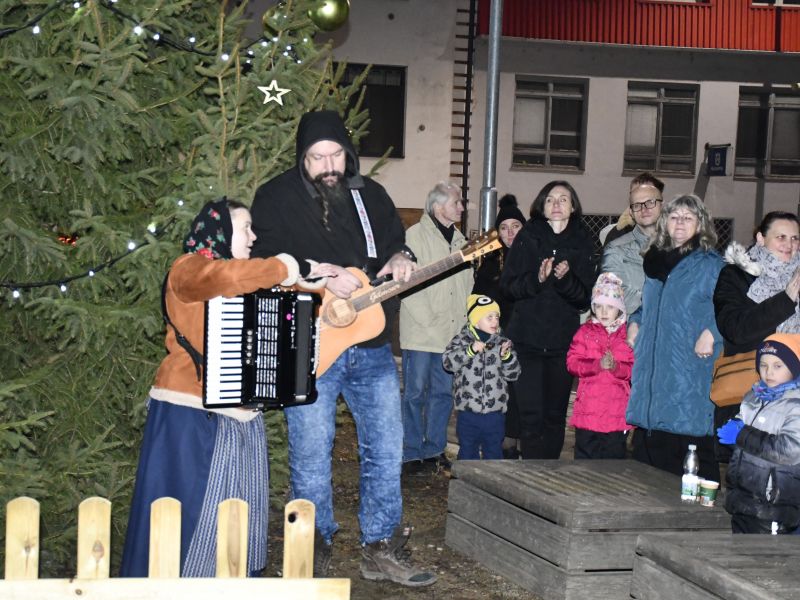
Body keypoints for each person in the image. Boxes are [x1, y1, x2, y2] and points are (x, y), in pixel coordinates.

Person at [249, 110, 436, 587]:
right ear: (302, 158)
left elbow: (394, 243)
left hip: (370, 343)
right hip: (307, 345)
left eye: (336, 155)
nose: (328, 165)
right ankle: (312, 550)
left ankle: (380, 546)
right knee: (311, 455)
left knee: (386, 448)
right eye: (317, 157)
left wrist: (400, 257)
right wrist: (319, 272)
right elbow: (263, 262)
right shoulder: (275, 198)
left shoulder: (369, 194)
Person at [120, 198, 325, 577]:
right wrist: (287, 265)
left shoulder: (247, 276)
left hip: (242, 419)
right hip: (189, 416)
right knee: (186, 519)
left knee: (237, 517)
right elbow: (224, 278)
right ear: (221, 230)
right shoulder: (188, 269)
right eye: (245, 227)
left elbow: (294, 299)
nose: (253, 236)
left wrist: (320, 279)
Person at [625, 194, 724, 482]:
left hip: (688, 380)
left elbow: (733, 310)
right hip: (652, 384)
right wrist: (635, 321)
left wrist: (712, 332)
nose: (680, 222)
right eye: (674, 216)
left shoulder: (711, 265)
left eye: (688, 217)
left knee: (693, 474)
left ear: (700, 224)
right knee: (648, 479)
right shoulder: (655, 263)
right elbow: (650, 306)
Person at [500, 180, 596, 459]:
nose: (556, 204)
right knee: (530, 416)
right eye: (550, 199)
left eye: (563, 199)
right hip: (526, 341)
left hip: (562, 344)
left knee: (554, 416)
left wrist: (566, 280)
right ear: (541, 206)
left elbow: (584, 299)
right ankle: (532, 473)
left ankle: (549, 471)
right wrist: (537, 279)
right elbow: (508, 287)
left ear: (573, 207)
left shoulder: (582, 241)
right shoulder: (528, 236)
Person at [713, 212, 800, 463]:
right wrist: (786, 299)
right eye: (781, 237)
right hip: (748, 396)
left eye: (795, 238)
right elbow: (735, 329)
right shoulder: (737, 275)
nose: (789, 244)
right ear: (761, 239)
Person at [399, 181, 473, 475]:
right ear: (439, 206)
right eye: (457, 202)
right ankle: (410, 453)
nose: (462, 207)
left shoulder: (461, 241)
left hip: (450, 336)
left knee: (442, 395)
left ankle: (433, 451)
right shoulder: (414, 236)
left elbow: (467, 285)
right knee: (414, 395)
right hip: (421, 334)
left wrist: (463, 324)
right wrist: (430, 322)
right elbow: (407, 285)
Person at [719, 333, 800, 534]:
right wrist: (732, 431)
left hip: (774, 507)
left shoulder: (795, 404)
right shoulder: (753, 397)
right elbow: (743, 440)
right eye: (763, 365)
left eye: (778, 366)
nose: (769, 372)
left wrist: (741, 434)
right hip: (742, 501)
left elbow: (790, 450)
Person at [473, 194, 526, 458]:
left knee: (521, 394)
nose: (510, 233)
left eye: (515, 226)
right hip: (496, 340)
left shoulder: (532, 257)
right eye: (504, 228)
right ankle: (501, 444)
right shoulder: (491, 262)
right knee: (498, 392)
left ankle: (519, 442)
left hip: (525, 337)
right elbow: (477, 302)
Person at [442, 294, 521, 460]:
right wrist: (469, 351)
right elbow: (448, 364)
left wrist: (507, 358)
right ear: (475, 320)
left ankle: (491, 477)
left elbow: (514, 374)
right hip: (468, 412)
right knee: (467, 451)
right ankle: (465, 476)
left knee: (493, 452)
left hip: (495, 414)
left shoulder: (503, 343)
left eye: (497, 317)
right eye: (489, 317)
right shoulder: (461, 340)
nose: (494, 321)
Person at [566, 273, 635, 459]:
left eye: (610, 307)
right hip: (588, 412)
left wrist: (616, 367)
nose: (604, 312)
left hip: (616, 415)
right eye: (599, 306)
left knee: (613, 462)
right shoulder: (585, 332)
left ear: (619, 308)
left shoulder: (627, 336)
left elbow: (633, 369)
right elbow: (572, 362)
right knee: (584, 462)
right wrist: (597, 365)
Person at [602, 172, 664, 315]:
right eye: (637, 204)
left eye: (650, 201)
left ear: (661, 204)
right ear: (631, 211)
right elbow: (613, 296)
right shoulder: (616, 246)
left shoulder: (680, 246)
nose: (644, 208)